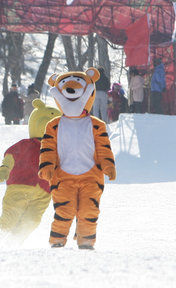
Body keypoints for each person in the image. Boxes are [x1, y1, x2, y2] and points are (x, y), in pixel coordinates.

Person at [38, 68, 116, 250]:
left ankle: (86, 241)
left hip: (91, 176)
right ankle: (57, 241)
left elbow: (103, 148)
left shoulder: (97, 125)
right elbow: (47, 147)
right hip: (62, 177)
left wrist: (108, 165)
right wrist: (47, 165)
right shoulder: (54, 125)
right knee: (64, 210)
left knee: (89, 210)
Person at [0, 99, 60, 244]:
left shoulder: (57, 151)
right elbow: (10, 156)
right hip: (20, 186)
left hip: (44, 193)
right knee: (11, 217)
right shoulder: (25, 144)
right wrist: (5, 169)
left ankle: (13, 243)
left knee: (32, 220)